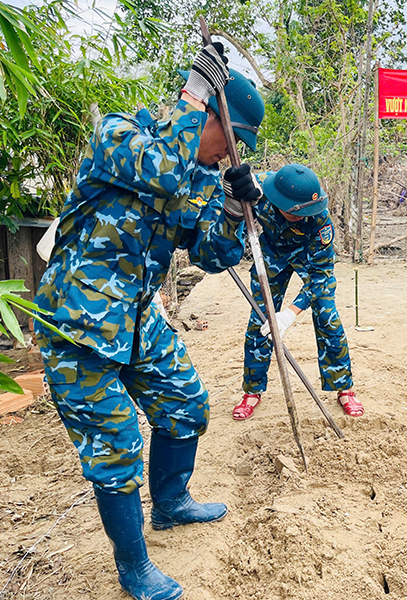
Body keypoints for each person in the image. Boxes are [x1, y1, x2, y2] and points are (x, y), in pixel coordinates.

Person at [33, 43, 265, 600]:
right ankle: (134, 569)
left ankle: (170, 503)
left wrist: (235, 210)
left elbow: (210, 254)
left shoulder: (202, 174)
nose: (226, 159)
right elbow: (163, 171)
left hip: (137, 318)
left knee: (187, 405)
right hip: (77, 322)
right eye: (231, 143)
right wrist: (194, 94)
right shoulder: (120, 137)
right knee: (115, 444)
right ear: (208, 115)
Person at [232, 164, 361, 420]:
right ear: (278, 202)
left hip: (307, 256)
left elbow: (321, 275)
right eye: (295, 213)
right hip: (270, 255)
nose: (303, 216)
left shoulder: (319, 220)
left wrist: (289, 314)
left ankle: (343, 387)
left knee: (327, 317)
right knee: (260, 321)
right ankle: (252, 391)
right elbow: (229, 202)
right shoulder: (258, 189)